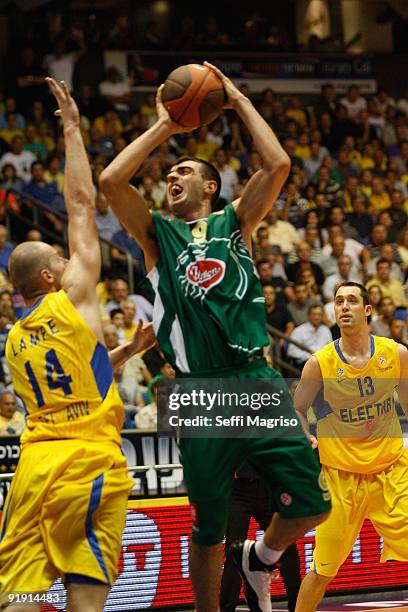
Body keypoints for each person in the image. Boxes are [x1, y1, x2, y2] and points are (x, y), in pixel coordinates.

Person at [100, 61, 331, 612]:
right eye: (168, 172)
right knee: (206, 530)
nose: (170, 176)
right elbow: (111, 182)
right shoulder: (159, 235)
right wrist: (164, 128)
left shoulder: (236, 221)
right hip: (200, 389)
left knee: (313, 507)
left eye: (182, 170)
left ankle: (261, 559)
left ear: (209, 185)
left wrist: (235, 99)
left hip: (257, 378)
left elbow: (277, 163)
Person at [0, 79, 155, 612]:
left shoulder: (16, 340)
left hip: (34, 466)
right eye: (60, 262)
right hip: (87, 460)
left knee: (18, 593)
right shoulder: (72, 296)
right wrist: (70, 128)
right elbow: (83, 203)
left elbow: (72, 382)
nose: (72, 263)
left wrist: (126, 354)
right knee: (86, 591)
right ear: (47, 277)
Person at [293, 281, 408, 612]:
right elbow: (298, 408)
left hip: (391, 470)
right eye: (338, 301)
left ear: (367, 310)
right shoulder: (320, 362)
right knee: (323, 571)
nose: (343, 306)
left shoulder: (395, 354)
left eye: (352, 301)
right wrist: (304, 434)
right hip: (340, 478)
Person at [220, 462, 301, 612]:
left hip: (269, 487)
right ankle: (226, 608)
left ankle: (298, 608)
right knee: (233, 553)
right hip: (238, 489)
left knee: (289, 552)